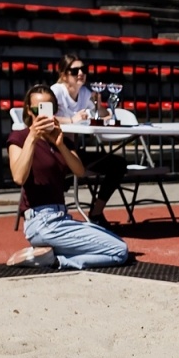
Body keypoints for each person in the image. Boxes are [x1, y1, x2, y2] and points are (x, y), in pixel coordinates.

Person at [7, 84, 130, 270]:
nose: (42, 115)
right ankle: (57, 261)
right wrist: (32, 137)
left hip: (62, 217)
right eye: (37, 110)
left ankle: (47, 255)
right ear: (28, 110)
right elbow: (18, 177)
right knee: (119, 250)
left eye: (48, 109)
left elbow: (79, 171)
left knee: (114, 242)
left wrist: (61, 145)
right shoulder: (20, 137)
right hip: (40, 221)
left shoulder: (61, 138)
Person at [50, 52, 124, 228]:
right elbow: (45, 118)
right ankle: (53, 212)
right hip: (54, 150)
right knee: (63, 172)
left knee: (118, 165)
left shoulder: (84, 92)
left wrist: (98, 103)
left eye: (83, 70)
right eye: (75, 71)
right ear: (64, 75)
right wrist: (71, 120)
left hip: (73, 151)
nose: (81, 74)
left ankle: (96, 213)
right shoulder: (56, 92)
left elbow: (104, 115)